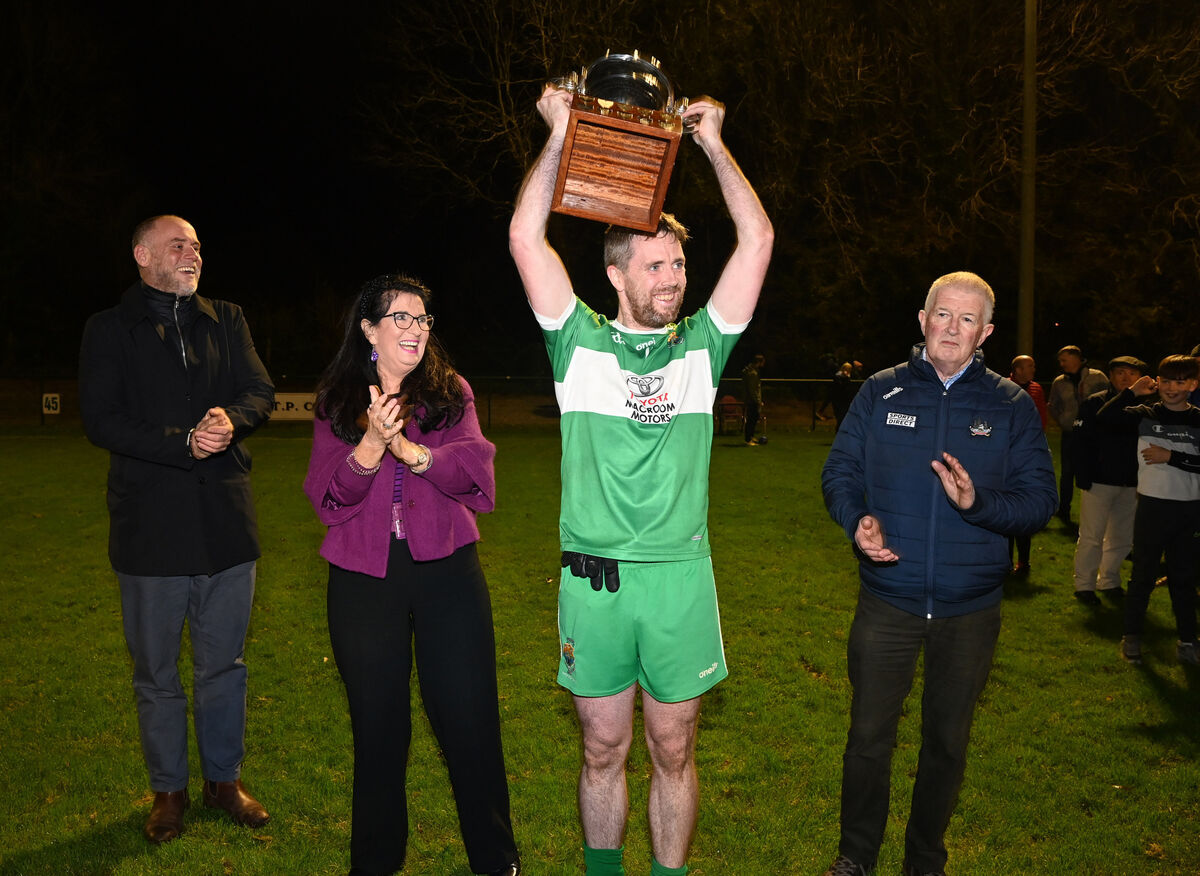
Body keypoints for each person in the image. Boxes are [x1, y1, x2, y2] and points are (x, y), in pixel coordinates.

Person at [508, 84, 773, 876]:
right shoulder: (577, 340)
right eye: (658, 263)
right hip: (593, 578)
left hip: (680, 578)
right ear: (618, 275)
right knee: (602, 745)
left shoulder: (703, 347)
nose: (676, 275)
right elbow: (527, 237)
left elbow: (756, 241)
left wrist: (713, 144)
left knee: (673, 743)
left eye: (681, 262)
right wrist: (559, 131)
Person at [820, 272, 1056, 876]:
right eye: (943, 315)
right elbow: (840, 472)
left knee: (947, 744)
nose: (953, 328)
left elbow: (1039, 503)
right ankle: (856, 855)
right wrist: (858, 521)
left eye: (968, 319)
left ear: (987, 333)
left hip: (970, 609)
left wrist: (979, 506)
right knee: (868, 739)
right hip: (888, 602)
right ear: (922, 320)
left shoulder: (1009, 404)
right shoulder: (880, 392)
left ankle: (925, 858)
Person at [303, 274, 520, 876]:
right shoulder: (336, 401)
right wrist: (371, 443)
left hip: (448, 572)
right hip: (363, 578)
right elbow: (328, 497)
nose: (416, 329)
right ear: (369, 330)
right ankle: (374, 865)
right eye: (400, 317)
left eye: (423, 319)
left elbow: (474, 471)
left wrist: (412, 452)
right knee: (379, 730)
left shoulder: (451, 392)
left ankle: (496, 863)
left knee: (470, 724)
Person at [79, 215, 274, 844]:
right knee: (156, 675)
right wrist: (181, 442)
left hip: (225, 525)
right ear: (141, 255)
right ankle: (169, 791)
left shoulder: (229, 318)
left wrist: (230, 420)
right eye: (177, 245)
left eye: (196, 245)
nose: (192, 253)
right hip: (150, 531)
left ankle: (224, 782)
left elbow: (259, 390)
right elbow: (101, 420)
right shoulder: (109, 330)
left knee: (226, 665)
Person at [1096, 355, 1200, 666]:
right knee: (1142, 577)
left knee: (1183, 579)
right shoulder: (1144, 414)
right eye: (1166, 381)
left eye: (1180, 381)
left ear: (1193, 385)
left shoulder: (1198, 418)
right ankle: (1132, 639)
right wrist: (1130, 392)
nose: (1171, 388)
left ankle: (1187, 641)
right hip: (1153, 508)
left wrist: (1172, 457)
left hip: (1190, 511)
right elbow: (1101, 421)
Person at [1070, 356, 1148, 605]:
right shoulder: (1095, 403)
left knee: (1122, 537)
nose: (1127, 378)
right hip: (1099, 480)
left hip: (1131, 482)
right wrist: (1083, 474)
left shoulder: (1147, 405)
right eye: (1121, 373)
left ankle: (1109, 580)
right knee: (1092, 536)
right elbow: (1080, 441)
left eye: (1132, 373)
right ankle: (1084, 585)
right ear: (1111, 376)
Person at [1047, 346, 1109, 526]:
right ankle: (1064, 510)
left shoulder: (1098, 377)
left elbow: (1109, 400)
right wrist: (1063, 421)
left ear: (1075, 358)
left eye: (1064, 360)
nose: (1061, 364)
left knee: (1093, 470)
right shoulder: (1059, 382)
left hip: (1093, 434)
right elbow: (1053, 405)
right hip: (1070, 434)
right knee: (1067, 472)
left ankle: (1095, 510)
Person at [1007, 354, 1048, 574]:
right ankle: (1004, 562)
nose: (1033, 368)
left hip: (1027, 455)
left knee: (1023, 509)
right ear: (1018, 369)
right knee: (1005, 510)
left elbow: (1042, 418)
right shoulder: (1003, 387)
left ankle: (1023, 562)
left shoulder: (1036, 389)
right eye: (1030, 365)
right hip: (1007, 457)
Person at [742, 353, 766, 445]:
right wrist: (758, 401)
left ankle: (751, 437)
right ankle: (748, 439)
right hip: (752, 401)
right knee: (751, 419)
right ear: (759, 362)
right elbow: (752, 389)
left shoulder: (752, 371)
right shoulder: (752, 373)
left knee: (754, 418)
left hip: (751, 400)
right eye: (762, 362)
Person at [829, 361, 855, 433]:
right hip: (838, 399)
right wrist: (846, 378)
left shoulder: (849, 376)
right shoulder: (838, 376)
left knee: (845, 416)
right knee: (841, 416)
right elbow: (840, 387)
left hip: (846, 400)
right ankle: (839, 431)